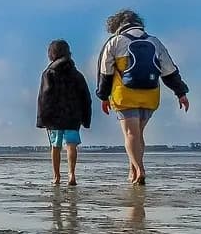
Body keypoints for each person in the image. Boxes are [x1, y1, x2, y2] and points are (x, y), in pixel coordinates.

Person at [96, 9, 190, 185]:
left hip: (125, 95)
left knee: (130, 133)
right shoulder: (154, 42)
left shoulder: (114, 42)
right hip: (150, 95)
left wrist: (103, 96)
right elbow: (169, 71)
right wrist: (181, 93)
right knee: (138, 135)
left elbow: (105, 73)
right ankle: (133, 170)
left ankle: (139, 169)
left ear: (116, 26)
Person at [38, 39, 93, 186]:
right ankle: (72, 174)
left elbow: (44, 97)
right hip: (73, 116)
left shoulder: (48, 73)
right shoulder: (77, 74)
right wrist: (86, 118)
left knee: (55, 147)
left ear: (51, 54)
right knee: (71, 145)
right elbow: (86, 97)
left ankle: (56, 177)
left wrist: (42, 119)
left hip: (54, 117)